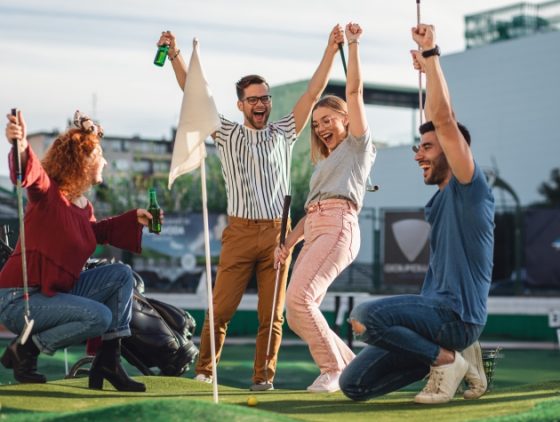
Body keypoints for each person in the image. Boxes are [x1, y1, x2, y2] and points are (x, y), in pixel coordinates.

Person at [157, 24, 344, 390]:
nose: (261, 104)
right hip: (240, 232)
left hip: (279, 233)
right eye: (253, 100)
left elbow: (312, 92)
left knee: (271, 316)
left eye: (265, 98)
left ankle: (263, 379)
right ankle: (204, 372)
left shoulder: (285, 131)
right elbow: (194, 94)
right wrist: (176, 55)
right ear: (241, 104)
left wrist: (332, 48)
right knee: (222, 308)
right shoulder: (226, 132)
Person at [338, 23, 494, 404]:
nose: (417, 154)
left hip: (457, 316)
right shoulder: (440, 198)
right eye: (416, 147)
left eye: (426, 147)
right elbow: (438, 120)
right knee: (353, 385)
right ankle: (456, 360)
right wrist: (427, 72)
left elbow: (444, 118)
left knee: (367, 316)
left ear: (454, 149)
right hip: (435, 318)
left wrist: (430, 55)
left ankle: (445, 360)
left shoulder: (470, 188)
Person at [0, 110, 159, 392]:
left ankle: (108, 361)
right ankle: (26, 350)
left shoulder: (83, 206)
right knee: (99, 316)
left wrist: (132, 218)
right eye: (100, 155)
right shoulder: (48, 195)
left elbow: (91, 233)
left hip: (55, 293)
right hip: (19, 299)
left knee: (122, 274)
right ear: (83, 161)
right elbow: (31, 174)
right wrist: (21, 145)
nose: (106, 162)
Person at [274, 22, 376, 393]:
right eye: (316, 125)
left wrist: (352, 45)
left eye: (327, 120)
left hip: (339, 227)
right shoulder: (323, 165)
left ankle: (332, 368)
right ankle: (352, 367)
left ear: (345, 118)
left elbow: (355, 90)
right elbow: (309, 210)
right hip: (317, 227)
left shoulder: (358, 147)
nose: (320, 129)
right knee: (298, 311)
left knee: (298, 301)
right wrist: (287, 244)